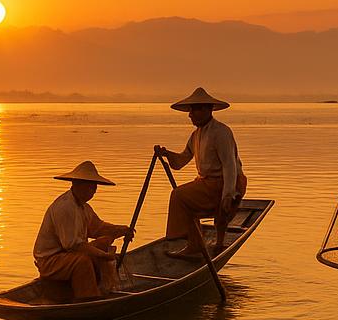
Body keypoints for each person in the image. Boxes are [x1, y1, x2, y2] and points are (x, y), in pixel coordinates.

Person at [154, 87, 246, 258]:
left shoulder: (221, 132)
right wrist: (166, 154)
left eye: (194, 110)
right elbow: (181, 161)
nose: (190, 115)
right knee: (186, 200)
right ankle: (196, 244)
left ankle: (204, 242)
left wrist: (228, 194)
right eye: (190, 110)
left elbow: (230, 166)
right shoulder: (196, 135)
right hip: (207, 183)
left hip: (227, 182)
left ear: (206, 110)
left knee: (179, 196)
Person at [33, 161, 135, 300]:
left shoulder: (83, 207)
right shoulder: (65, 207)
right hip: (50, 261)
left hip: (67, 256)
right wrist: (103, 256)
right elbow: (74, 246)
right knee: (82, 262)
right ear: (77, 184)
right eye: (90, 186)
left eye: (95, 186)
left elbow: (98, 228)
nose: (93, 190)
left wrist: (122, 230)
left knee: (104, 241)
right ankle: (88, 298)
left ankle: (104, 287)